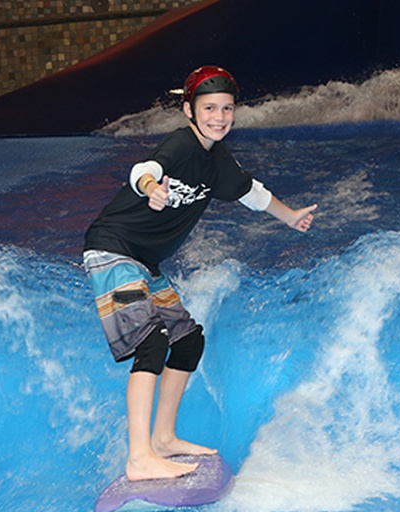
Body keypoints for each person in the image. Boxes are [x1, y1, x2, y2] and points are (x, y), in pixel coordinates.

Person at [83, 66, 317, 481]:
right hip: (112, 251)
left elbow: (253, 194)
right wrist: (152, 188)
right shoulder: (181, 144)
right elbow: (144, 169)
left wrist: (290, 217)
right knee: (151, 341)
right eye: (209, 108)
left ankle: (163, 439)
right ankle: (138, 458)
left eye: (227, 108)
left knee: (187, 341)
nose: (219, 116)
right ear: (189, 110)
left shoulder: (217, 161)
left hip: (145, 264)